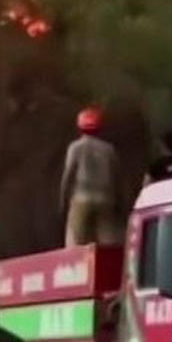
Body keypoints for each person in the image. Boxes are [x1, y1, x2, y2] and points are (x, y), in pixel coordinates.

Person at [60, 105, 123, 246]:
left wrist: (63, 201)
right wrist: (120, 203)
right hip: (106, 198)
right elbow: (117, 178)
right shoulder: (108, 149)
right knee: (108, 239)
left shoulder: (75, 147)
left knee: (75, 238)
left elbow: (68, 176)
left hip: (82, 197)